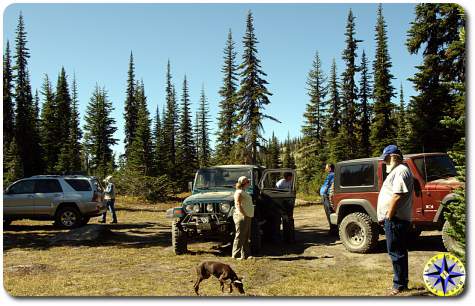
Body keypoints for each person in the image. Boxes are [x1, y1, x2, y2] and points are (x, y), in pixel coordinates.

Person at [377, 145, 414, 296]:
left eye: (386, 158)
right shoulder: (399, 171)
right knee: (399, 252)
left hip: (395, 220)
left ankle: (399, 285)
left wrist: (389, 216)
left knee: (396, 252)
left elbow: (397, 195)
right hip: (396, 219)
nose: (385, 162)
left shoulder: (400, 171)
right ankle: (401, 282)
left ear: (392, 156)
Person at [232, 176, 254, 260]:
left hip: (247, 216)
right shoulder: (239, 192)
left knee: (246, 236)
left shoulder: (244, 191)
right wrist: (243, 214)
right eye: (247, 181)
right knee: (240, 235)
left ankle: (246, 255)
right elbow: (238, 203)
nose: (248, 182)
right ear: (243, 183)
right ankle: (235, 255)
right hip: (242, 216)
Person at [320, 164, 336, 233]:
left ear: (330, 168)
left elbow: (327, 185)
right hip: (326, 194)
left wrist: (324, 193)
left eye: (326, 168)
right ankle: (333, 229)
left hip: (326, 195)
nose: (325, 169)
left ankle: (333, 230)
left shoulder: (331, 175)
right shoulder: (332, 174)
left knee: (329, 211)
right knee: (330, 211)